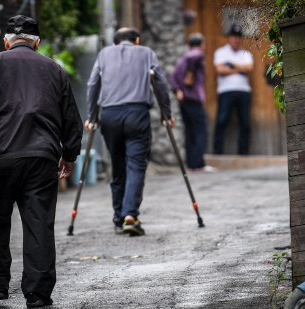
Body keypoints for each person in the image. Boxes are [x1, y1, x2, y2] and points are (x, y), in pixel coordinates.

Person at [0, 15, 83, 308]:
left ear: (6, 41)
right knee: (39, 224)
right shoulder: (54, 70)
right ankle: (38, 294)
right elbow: (71, 118)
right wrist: (69, 155)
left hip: (1, 157)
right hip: (42, 159)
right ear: (37, 43)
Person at [86, 27, 173, 236]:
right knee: (135, 164)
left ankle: (118, 219)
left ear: (115, 43)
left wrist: (92, 117)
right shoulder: (146, 53)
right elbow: (160, 82)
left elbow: (93, 84)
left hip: (110, 115)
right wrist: (166, 113)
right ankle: (130, 216)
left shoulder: (104, 54)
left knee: (117, 165)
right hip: (137, 114)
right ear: (137, 41)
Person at [169, 33, 214, 172]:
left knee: (189, 132)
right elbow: (193, 56)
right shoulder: (196, 54)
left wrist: (178, 90)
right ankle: (198, 164)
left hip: (184, 100)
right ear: (202, 45)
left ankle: (192, 164)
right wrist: (189, 73)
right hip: (193, 98)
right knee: (201, 131)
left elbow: (172, 77)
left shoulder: (182, 59)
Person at [213, 25, 254, 155]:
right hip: (226, 90)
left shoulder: (246, 53)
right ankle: (218, 151)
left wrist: (231, 65)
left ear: (240, 39)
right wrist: (240, 69)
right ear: (229, 37)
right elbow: (220, 70)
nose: (235, 39)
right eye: (233, 36)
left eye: (238, 37)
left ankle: (243, 152)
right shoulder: (220, 52)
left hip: (244, 91)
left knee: (245, 122)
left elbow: (250, 68)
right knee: (221, 120)